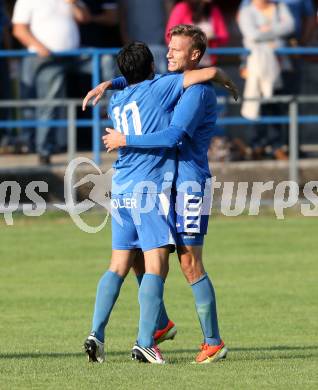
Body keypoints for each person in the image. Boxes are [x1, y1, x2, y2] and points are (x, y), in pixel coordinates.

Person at [84, 25, 238, 364]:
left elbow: (171, 136)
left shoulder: (195, 91)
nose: (168, 54)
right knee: (143, 256)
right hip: (162, 185)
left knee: (189, 263)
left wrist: (125, 139)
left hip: (188, 185)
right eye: (167, 49)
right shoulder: (168, 84)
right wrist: (114, 81)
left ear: (194, 55)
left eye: (176, 49)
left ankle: (213, 341)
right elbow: (144, 82)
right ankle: (158, 324)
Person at [12, 0, 90, 164]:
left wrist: (73, 4)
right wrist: (41, 49)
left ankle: (109, 113)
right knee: (49, 103)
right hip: (47, 58)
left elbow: (84, 18)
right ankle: (44, 149)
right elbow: (19, 30)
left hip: (75, 56)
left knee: (105, 61)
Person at [238, 0, 295, 160]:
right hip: (255, 64)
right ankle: (257, 145)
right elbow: (251, 34)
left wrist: (264, 31)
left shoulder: (280, 6)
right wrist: (276, 32)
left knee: (276, 104)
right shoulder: (246, 10)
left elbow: (290, 26)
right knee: (256, 104)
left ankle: (277, 146)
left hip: (279, 64)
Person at [166, 0, 229, 66]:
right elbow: (170, 35)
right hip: (185, 63)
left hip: (208, 60)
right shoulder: (182, 8)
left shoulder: (214, 10)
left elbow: (223, 36)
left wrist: (212, 38)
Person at [118, 0, 174, 73]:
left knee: (161, 80)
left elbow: (169, 13)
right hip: (135, 49)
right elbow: (122, 16)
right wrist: (127, 44)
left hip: (160, 48)